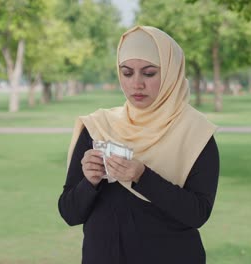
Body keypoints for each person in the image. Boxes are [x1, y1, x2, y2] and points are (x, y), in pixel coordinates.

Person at [58, 25, 220, 264]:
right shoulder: (98, 127)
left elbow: (197, 214)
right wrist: (89, 183)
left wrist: (143, 176)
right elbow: (70, 213)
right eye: (127, 72)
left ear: (170, 74)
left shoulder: (195, 133)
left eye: (149, 73)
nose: (136, 84)